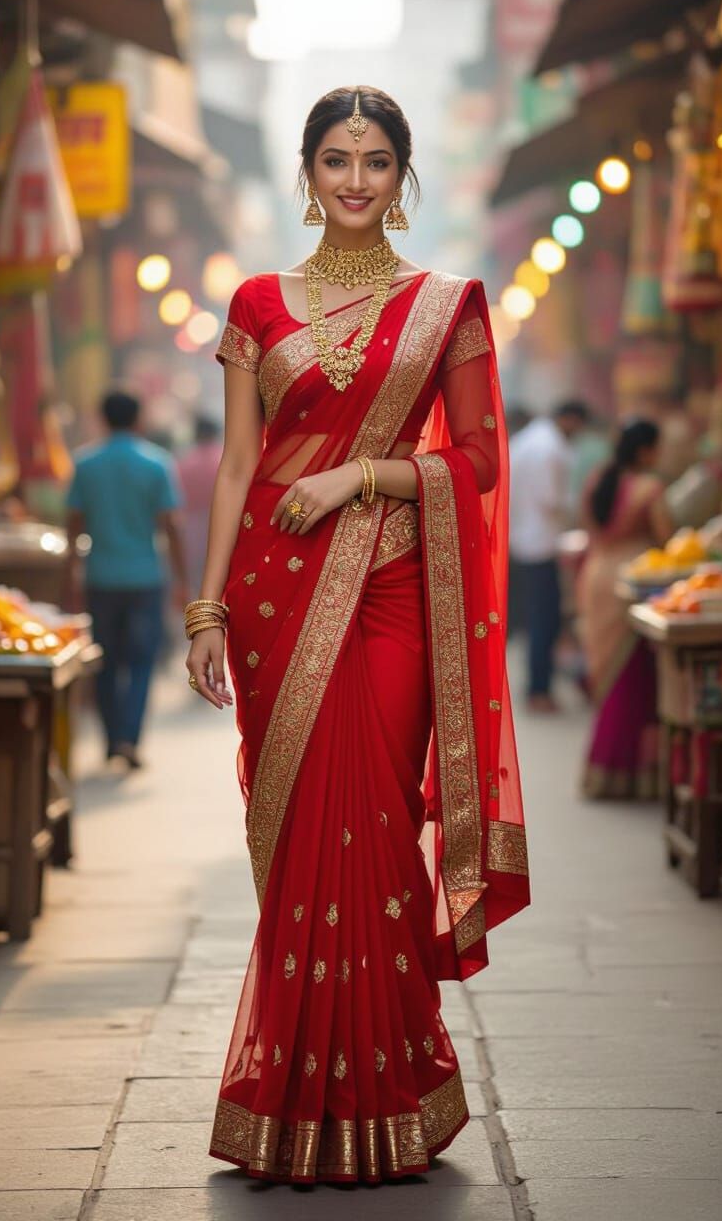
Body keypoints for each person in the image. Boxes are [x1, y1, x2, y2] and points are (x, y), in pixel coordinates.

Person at [184, 86, 529, 1184]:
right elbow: (238, 467)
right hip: (274, 595)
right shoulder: (256, 302)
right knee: (299, 842)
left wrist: (360, 476)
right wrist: (206, 608)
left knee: (378, 821)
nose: (355, 180)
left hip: (388, 593)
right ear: (307, 171)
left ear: (402, 175)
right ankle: (290, 1097)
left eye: (376, 161)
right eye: (336, 159)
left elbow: (476, 459)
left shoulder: (446, 305)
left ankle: (391, 1092)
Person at [66, 390, 187, 770]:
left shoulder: (85, 463)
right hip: (145, 578)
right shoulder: (156, 463)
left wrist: (71, 575)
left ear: (103, 418)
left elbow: (73, 525)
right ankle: (129, 738)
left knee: (105, 659)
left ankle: (111, 739)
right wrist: (182, 580)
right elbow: (171, 526)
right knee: (140, 660)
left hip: (100, 577)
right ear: (138, 419)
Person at [577, 418, 673, 799]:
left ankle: (606, 770)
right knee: (632, 680)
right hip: (634, 582)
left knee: (609, 674)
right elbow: (667, 539)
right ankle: (632, 773)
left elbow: (588, 527)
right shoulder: (650, 488)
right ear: (645, 451)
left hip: (596, 577)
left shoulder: (598, 480)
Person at [509, 400, 589, 712]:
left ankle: (538, 686)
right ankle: (538, 690)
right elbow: (551, 499)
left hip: (526, 540)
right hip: (540, 544)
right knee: (545, 620)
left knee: (539, 619)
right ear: (570, 419)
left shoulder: (528, 439)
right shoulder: (548, 448)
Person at [176, 414, 224, 597]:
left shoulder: (184, 461)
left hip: (191, 526)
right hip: (221, 524)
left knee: (196, 579)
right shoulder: (222, 459)